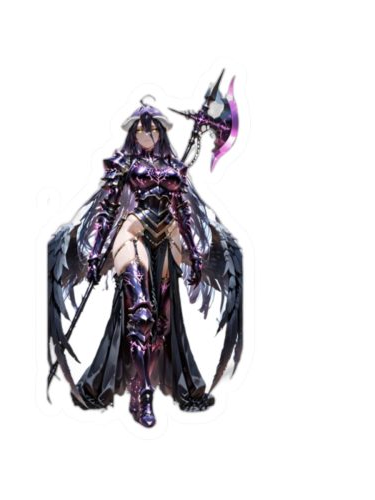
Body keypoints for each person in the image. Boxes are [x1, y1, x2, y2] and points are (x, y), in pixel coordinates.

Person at [48, 99, 242, 428]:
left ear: (161, 132)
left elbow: (183, 210)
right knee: (140, 314)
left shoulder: (174, 167)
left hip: (167, 238)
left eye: (152, 129)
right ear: (133, 133)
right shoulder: (124, 163)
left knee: (162, 321)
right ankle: (144, 395)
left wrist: (195, 255)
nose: (146, 133)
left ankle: (146, 379)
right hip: (133, 233)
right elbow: (108, 208)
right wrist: (95, 253)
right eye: (140, 128)